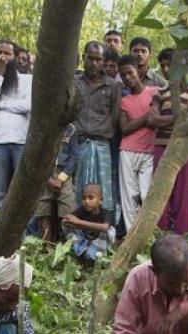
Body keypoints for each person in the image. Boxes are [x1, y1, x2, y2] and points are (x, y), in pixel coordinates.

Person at [151, 50, 188, 234]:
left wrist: (172, 120)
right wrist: (179, 118)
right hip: (161, 147)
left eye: (171, 66)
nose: (166, 70)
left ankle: (181, 237)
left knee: (182, 194)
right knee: (160, 193)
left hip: (182, 151)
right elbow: (152, 120)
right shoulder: (160, 92)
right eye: (163, 66)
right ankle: (159, 233)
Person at [0, 39, 32, 213]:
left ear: (16, 57)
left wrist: (1, 104)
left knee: (23, 191)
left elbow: (29, 105)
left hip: (21, 141)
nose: (2, 58)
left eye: (7, 54)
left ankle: (25, 236)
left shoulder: (27, 80)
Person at [73, 41, 121, 227]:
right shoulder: (75, 83)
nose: (94, 63)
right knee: (79, 188)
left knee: (104, 190)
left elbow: (115, 118)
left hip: (102, 145)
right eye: (90, 58)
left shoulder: (112, 86)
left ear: (103, 61)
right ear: (84, 58)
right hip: (79, 143)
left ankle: (105, 231)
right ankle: (77, 232)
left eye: (98, 59)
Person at [117, 55, 157, 233]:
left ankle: (147, 236)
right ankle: (131, 238)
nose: (127, 78)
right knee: (129, 199)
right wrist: (146, 118)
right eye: (123, 75)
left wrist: (149, 120)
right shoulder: (124, 101)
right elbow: (124, 128)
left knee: (148, 196)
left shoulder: (154, 92)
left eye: (130, 73)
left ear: (138, 71)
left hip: (149, 152)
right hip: (127, 151)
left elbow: (156, 120)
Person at [33, 123, 77, 241]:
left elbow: (73, 157)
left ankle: (68, 246)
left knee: (68, 205)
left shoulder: (71, 129)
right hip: (44, 171)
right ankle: (47, 248)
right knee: (42, 207)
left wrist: (60, 179)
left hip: (63, 173)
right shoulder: (42, 126)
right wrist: (48, 179)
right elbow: (36, 155)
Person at [62, 183, 112, 263]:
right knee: (66, 225)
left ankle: (96, 255)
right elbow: (65, 220)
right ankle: (78, 249)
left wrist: (79, 222)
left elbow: (104, 227)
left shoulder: (105, 212)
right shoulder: (82, 210)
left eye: (91, 198)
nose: (87, 201)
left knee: (110, 231)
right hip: (84, 239)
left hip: (99, 241)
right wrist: (78, 224)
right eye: (84, 198)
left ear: (100, 200)